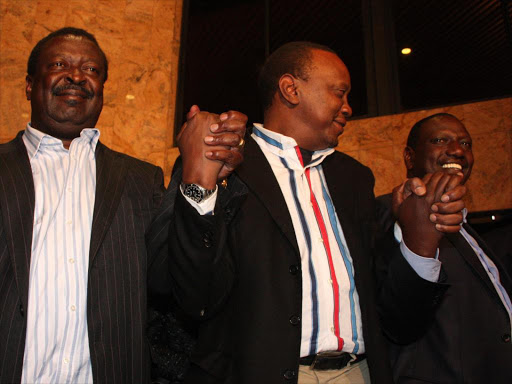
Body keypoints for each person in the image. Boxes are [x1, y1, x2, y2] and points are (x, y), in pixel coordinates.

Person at [169, 42, 466, 384]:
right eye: (340, 92)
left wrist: (415, 242)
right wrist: (200, 186)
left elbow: (392, 316)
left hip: (359, 373)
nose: (348, 107)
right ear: (290, 89)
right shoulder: (222, 159)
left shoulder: (354, 178)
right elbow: (193, 296)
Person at [0, 27, 246, 384]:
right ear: (28, 84)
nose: (76, 75)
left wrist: (198, 181)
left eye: (92, 70)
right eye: (59, 64)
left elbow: (177, 287)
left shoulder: (140, 180)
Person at [377, 113, 512, 383]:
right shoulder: (389, 213)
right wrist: (417, 235)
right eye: (440, 140)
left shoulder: (467, 230)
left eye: (466, 143)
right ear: (409, 157)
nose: (457, 150)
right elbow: (399, 317)